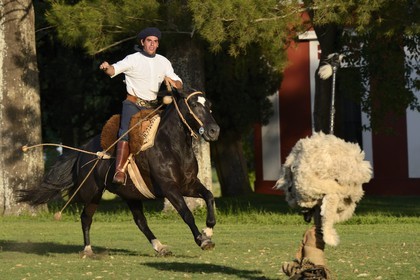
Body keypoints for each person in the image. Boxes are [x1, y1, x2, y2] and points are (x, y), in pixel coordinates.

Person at [99, 27, 183, 186]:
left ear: (158, 44)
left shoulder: (163, 62)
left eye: (155, 41)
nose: (152, 44)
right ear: (142, 42)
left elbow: (178, 82)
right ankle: (119, 171)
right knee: (126, 132)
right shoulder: (132, 59)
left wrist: (174, 83)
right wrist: (106, 67)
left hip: (153, 107)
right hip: (133, 104)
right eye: (149, 41)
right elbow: (113, 70)